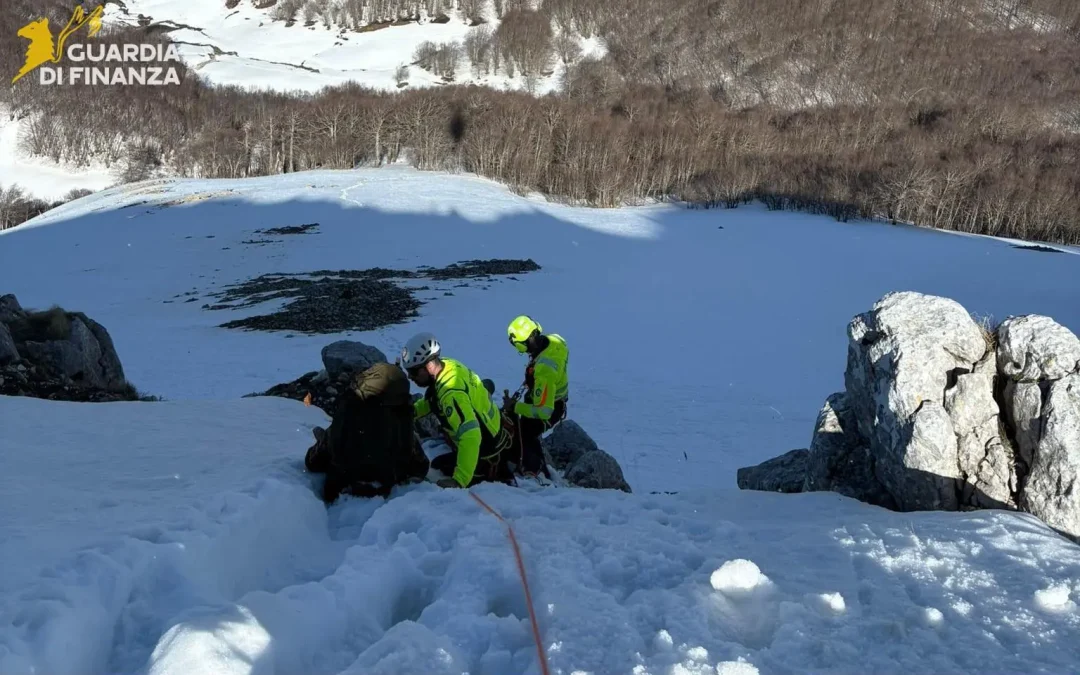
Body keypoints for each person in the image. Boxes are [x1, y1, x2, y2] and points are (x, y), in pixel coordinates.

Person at [400, 331, 514, 489]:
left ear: (429, 365)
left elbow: (471, 435)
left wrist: (459, 480)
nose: (410, 377)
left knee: (438, 465)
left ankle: (485, 473)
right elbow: (433, 401)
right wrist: (411, 412)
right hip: (495, 430)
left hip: (486, 451)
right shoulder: (448, 365)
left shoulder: (451, 394)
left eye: (413, 372)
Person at [304, 361, 430, 503]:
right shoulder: (401, 416)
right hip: (385, 496)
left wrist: (320, 444)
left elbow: (314, 462)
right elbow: (420, 466)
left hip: (341, 495)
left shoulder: (351, 407)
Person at [504, 315, 569, 478]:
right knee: (526, 430)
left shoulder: (544, 370)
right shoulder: (556, 340)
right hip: (554, 398)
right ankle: (539, 467)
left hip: (551, 407)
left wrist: (515, 407)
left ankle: (534, 471)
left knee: (524, 432)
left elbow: (544, 411)